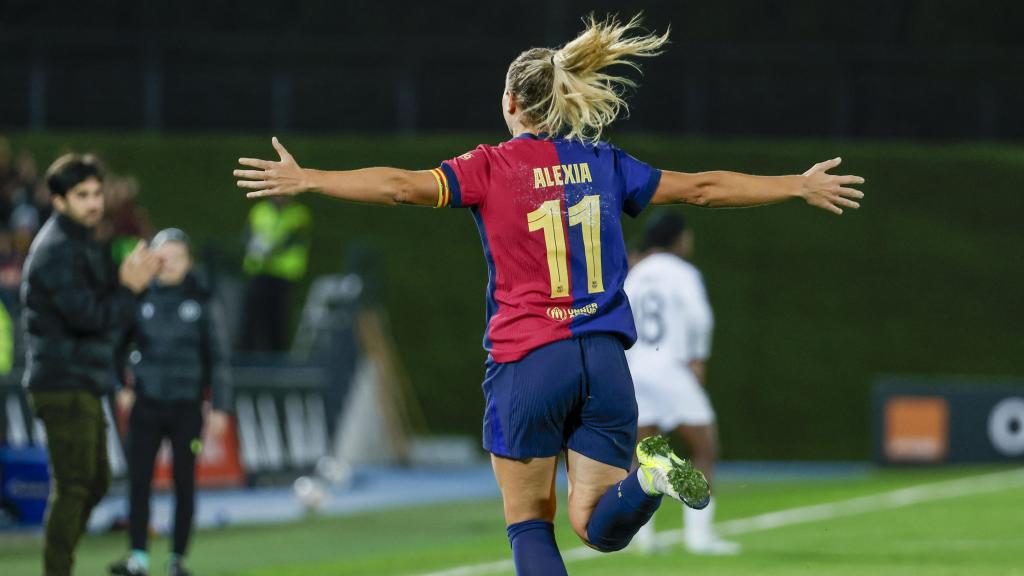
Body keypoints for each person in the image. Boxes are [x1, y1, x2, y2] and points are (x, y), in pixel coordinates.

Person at [233, 14, 864, 574]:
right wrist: (795, 184)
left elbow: (401, 185)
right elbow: (702, 188)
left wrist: (309, 177)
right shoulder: (604, 163)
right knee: (598, 526)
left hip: (531, 358)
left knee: (531, 523)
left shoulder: (490, 166)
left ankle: (643, 481)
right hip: (606, 362)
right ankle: (647, 480)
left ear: (510, 101)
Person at [21, 153, 160, 576]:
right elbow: (92, 317)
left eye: (97, 193)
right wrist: (131, 287)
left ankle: (59, 563)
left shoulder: (81, 240)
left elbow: (101, 307)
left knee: (94, 482)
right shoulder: (57, 250)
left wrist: (125, 281)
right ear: (59, 201)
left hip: (81, 379)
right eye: (82, 195)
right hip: (61, 382)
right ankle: (56, 570)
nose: (95, 203)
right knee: (76, 485)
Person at [109, 228, 233, 576]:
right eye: (163, 257)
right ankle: (138, 558)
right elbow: (114, 346)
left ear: (188, 261)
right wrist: (120, 386)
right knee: (138, 480)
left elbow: (219, 358)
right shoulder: (138, 297)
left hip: (186, 407)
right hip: (146, 405)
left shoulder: (203, 300)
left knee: (184, 481)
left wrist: (221, 407)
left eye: (176, 257)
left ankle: (177, 559)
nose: (169, 264)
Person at [625, 212, 738, 555]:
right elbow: (699, 317)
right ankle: (699, 536)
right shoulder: (684, 273)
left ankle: (640, 538)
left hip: (636, 368)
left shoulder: (635, 273)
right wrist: (697, 357)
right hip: (672, 368)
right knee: (704, 448)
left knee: (643, 455)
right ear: (677, 239)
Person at [239, 196, 311, 351]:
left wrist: (269, 250)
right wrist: (253, 247)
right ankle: (246, 353)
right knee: (252, 314)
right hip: (258, 270)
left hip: (284, 273)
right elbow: (247, 234)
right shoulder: (260, 209)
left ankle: (277, 355)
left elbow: (293, 238)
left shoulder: (299, 213)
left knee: (279, 317)